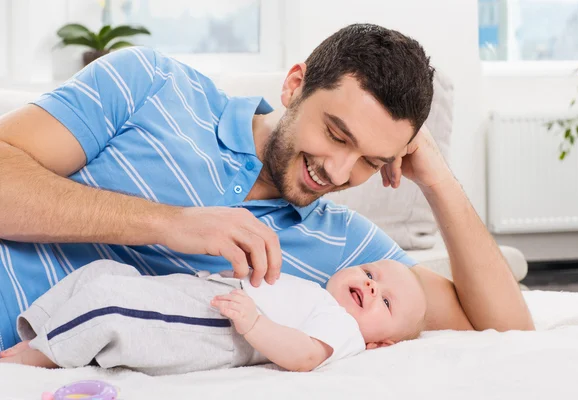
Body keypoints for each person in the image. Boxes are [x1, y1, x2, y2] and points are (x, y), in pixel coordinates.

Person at [0, 23, 534, 350]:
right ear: (294, 84)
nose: (339, 173)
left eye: (370, 160)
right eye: (334, 133)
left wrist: (438, 179)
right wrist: (167, 223)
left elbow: (506, 331)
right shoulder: (152, 85)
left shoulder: (345, 252)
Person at [0, 258, 426, 374]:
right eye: (371, 273)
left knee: (113, 304)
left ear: (381, 343)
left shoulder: (345, 329)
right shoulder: (318, 290)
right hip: (204, 292)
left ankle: (42, 356)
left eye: (385, 302)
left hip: (224, 329)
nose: (371, 286)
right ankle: (41, 332)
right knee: (105, 272)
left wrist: (256, 324)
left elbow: (306, 355)